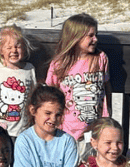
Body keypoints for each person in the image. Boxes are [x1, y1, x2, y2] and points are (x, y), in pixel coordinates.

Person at [46, 13, 110, 146]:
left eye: (96, 34)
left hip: (95, 127)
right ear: (75, 38)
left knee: (90, 163)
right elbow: (50, 94)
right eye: (90, 36)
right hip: (67, 128)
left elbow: (106, 85)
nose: (95, 39)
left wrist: (107, 113)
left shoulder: (100, 58)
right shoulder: (59, 64)